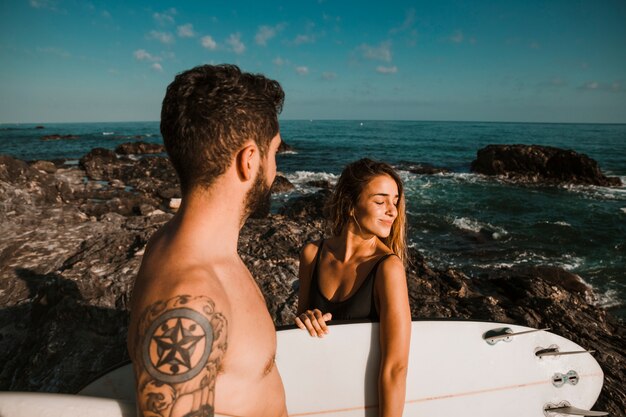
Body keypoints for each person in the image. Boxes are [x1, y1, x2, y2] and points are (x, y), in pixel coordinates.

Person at [128, 64, 288, 417]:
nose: (275, 169)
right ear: (249, 160)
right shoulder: (190, 300)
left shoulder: (175, 242)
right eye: (274, 152)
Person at [295, 158, 411, 417]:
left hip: (362, 403)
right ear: (350, 205)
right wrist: (305, 319)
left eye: (395, 201)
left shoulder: (387, 267)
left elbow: (396, 367)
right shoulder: (312, 254)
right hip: (319, 398)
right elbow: (301, 335)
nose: (392, 211)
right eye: (380, 202)